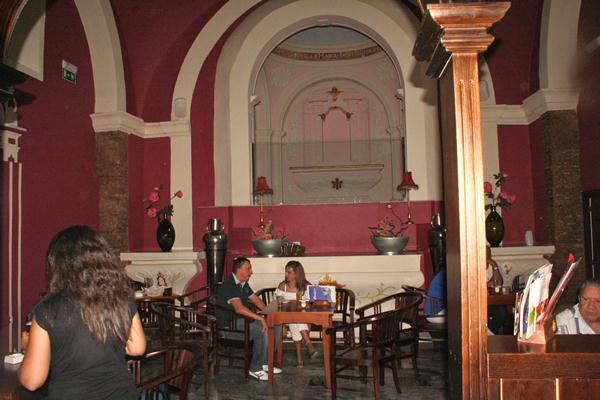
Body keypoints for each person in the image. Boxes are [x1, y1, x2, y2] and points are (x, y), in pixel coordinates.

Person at [18, 225, 146, 399]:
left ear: (58, 264)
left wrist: (28, 348)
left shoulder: (48, 310)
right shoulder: (120, 299)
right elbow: (137, 348)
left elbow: (32, 381)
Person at [216, 257, 282, 381]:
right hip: (229, 327)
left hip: (243, 322)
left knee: (276, 324)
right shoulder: (229, 284)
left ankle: (265, 362)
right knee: (261, 330)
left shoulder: (243, 284)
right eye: (248, 269)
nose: (251, 272)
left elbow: (256, 300)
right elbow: (239, 309)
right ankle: (255, 368)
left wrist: (270, 315)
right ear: (239, 270)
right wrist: (260, 318)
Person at [275, 260, 318, 366]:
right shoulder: (283, 286)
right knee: (294, 319)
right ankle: (309, 345)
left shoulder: (306, 286)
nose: (286, 274)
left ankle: (299, 357)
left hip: (304, 317)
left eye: (289, 272)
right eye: (286, 272)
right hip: (286, 318)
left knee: (296, 320)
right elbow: (276, 304)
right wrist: (281, 325)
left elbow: (313, 304)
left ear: (297, 274)